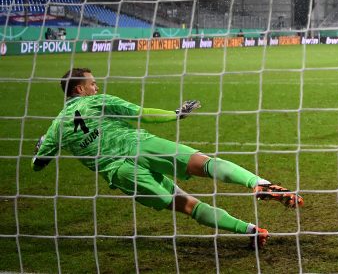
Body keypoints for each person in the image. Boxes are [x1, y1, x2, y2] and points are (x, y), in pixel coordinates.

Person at [32, 68, 303, 249]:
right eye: (92, 84)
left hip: (119, 172)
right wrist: (176, 114)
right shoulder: (95, 101)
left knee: (186, 205)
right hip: (139, 145)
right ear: (79, 89)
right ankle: (258, 183)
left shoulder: (57, 126)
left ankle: (252, 231)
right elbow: (142, 113)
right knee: (203, 163)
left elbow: (40, 164)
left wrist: (41, 147)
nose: (96, 86)